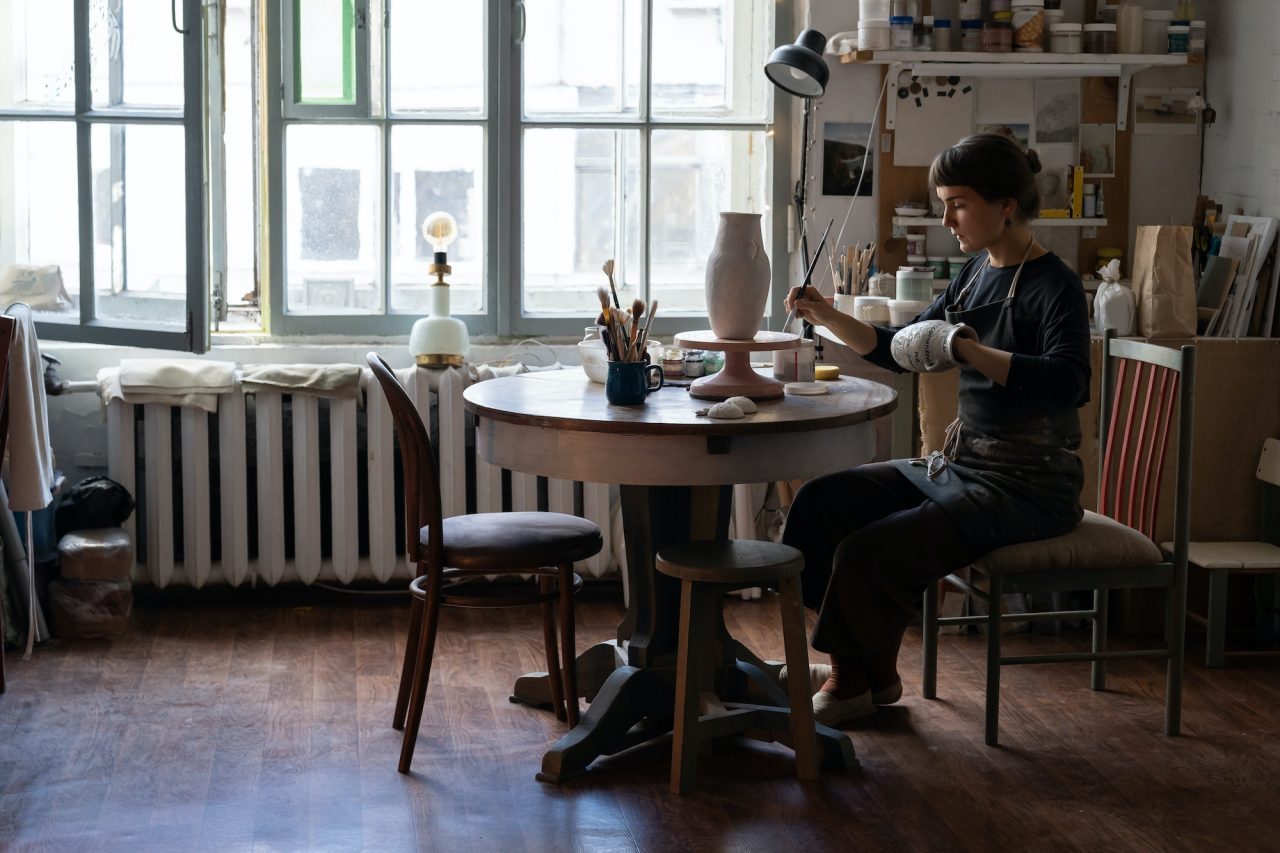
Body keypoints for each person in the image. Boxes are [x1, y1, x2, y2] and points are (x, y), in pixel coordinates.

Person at [781, 133, 1092, 726]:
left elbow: (1069, 382)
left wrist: (968, 351)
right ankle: (866, 664)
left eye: (959, 203)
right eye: (944, 202)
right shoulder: (974, 275)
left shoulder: (1057, 286)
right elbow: (898, 350)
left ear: (1006, 204)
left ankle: (855, 680)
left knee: (871, 548)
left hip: (1029, 486)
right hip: (962, 467)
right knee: (824, 502)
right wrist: (825, 315)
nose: (946, 217)